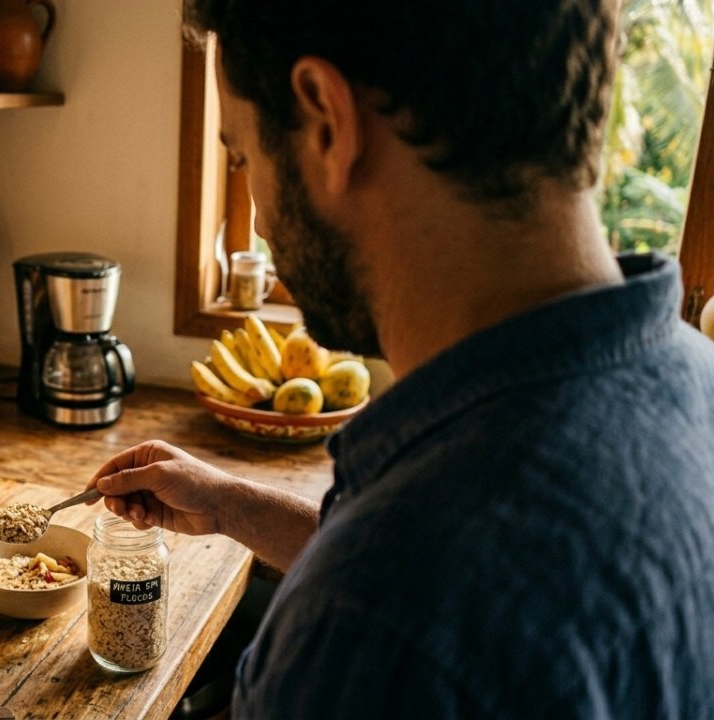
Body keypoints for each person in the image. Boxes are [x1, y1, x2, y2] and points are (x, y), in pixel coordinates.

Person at [87, 1, 714, 716]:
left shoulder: (373, 624)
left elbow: (418, 594)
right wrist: (233, 504)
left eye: (242, 155)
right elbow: (491, 586)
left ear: (326, 121)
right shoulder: (693, 377)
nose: (258, 219)